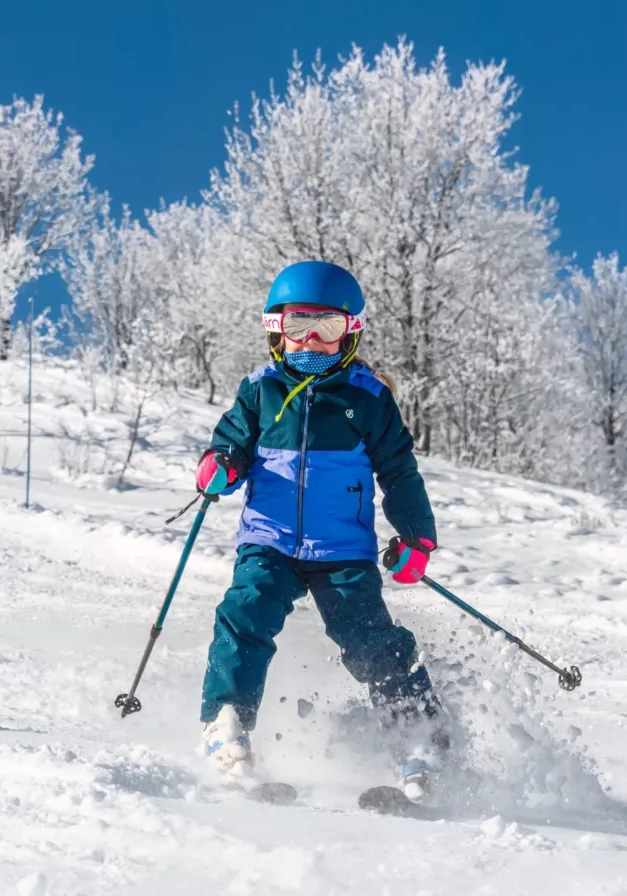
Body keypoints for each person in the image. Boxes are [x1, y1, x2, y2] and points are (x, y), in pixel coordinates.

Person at [194, 260, 448, 801]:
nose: (310, 340)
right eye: (297, 326)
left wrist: (416, 539)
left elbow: (400, 472)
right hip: (269, 540)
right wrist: (222, 463)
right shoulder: (259, 391)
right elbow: (232, 441)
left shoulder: (369, 399)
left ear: (350, 334)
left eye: (327, 329)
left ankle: (419, 741)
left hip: (343, 551)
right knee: (246, 612)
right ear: (274, 331)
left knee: (370, 639)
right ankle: (225, 724)